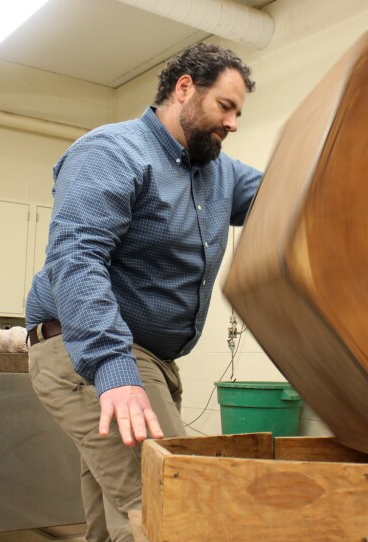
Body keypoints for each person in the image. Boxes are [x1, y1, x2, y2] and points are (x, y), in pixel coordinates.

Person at [25, 42, 261, 542]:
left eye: (239, 113)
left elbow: (286, 193)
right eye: (225, 106)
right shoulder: (112, 152)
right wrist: (114, 369)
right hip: (87, 353)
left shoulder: (218, 174)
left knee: (116, 523)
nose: (233, 123)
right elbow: (76, 259)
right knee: (171, 505)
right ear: (183, 89)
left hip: (149, 360)